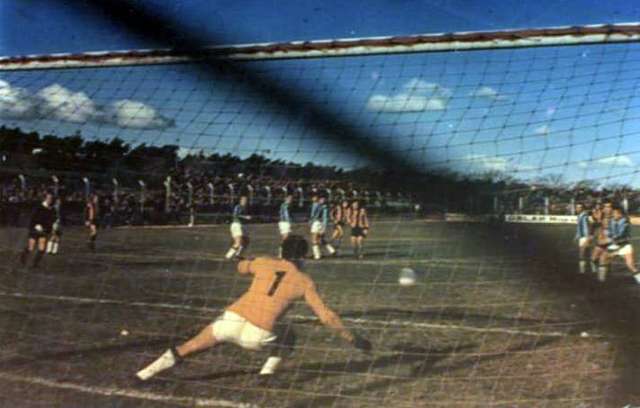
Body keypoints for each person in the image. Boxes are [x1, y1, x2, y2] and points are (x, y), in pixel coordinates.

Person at [136, 235, 371, 381]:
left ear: (281, 251)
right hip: (259, 334)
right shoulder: (304, 280)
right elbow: (326, 316)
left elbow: (241, 268)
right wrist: (353, 339)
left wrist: (247, 261)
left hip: (231, 320)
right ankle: (267, 374)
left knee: (190, 346)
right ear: (304, 256)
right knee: (289, 335)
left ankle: (144, 374)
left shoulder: (264, 262)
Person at [602, 206, 640, 284]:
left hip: (624, 246)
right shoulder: (612, 221)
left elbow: (621, 234)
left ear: (620, 215)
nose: (613, 215)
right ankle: (602, 279)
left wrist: (611, 237)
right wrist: (607, 233)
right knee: (604, 258)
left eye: (615, 213)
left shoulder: (625, 222)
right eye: (613, 213)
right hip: (616, 245)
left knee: (630, 265)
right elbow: (609, 231)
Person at [19, 192, 56, 268]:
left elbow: (53, 219)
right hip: (35, 230)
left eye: (51, 198)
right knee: (31, 247)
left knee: (41, 248)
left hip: (44, 230)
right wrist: (36, 225)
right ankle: (23, 258)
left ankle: (35, 264)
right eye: (48, 198)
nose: (49, 200)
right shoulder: (38, 207)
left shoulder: (52, 209)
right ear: (45, 198)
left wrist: (51, 228)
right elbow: (33, 218)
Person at [309, 194, 335, 260]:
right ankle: (332, 250)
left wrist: (324, 227)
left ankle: (317, 255)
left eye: (323, 199)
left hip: (317, 223)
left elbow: (324, 217)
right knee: (320, 239)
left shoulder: (320, 206)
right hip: (318, 223)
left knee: (314, 239)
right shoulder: (319, 205)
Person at [225, 196, 251, 260]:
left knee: (246, 241)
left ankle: (238, 255)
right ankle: (228, 256)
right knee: (238, 242)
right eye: (244, 200)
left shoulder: (244, 208)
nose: (245, 201)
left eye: (246, 200)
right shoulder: (238, 207)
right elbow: (235, 215)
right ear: (240, 200)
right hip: (236, 225)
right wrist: (245, 217)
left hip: (242, 225)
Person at [574, 203, 591, 274]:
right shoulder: (580, 216)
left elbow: (586, 228)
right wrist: (577, 236)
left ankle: (582, 271)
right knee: (586, 253)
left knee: (582, 254)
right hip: (582, 237)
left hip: (584, 237)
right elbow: (579, 228)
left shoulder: (584, 216)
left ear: (582, 208)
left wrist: (587, 238)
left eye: (579, 207)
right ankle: (590, 269)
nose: (578, 209)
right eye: (577, 207)